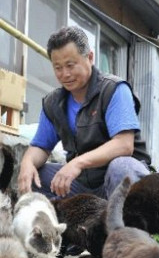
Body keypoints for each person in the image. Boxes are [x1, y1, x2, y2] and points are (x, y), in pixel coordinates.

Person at [17, 26, 151, 200]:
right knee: (36, 177)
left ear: (90, 57)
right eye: (58, 67)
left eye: (70, 65)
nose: (65, 74)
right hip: (83, 185)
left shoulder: (113, 90)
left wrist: (77, 163)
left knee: (122, 167)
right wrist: (27, 164)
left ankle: (127, 225)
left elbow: (124, 144)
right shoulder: (54, 103)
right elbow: (40, 146)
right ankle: (61, 226)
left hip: (120, 181)